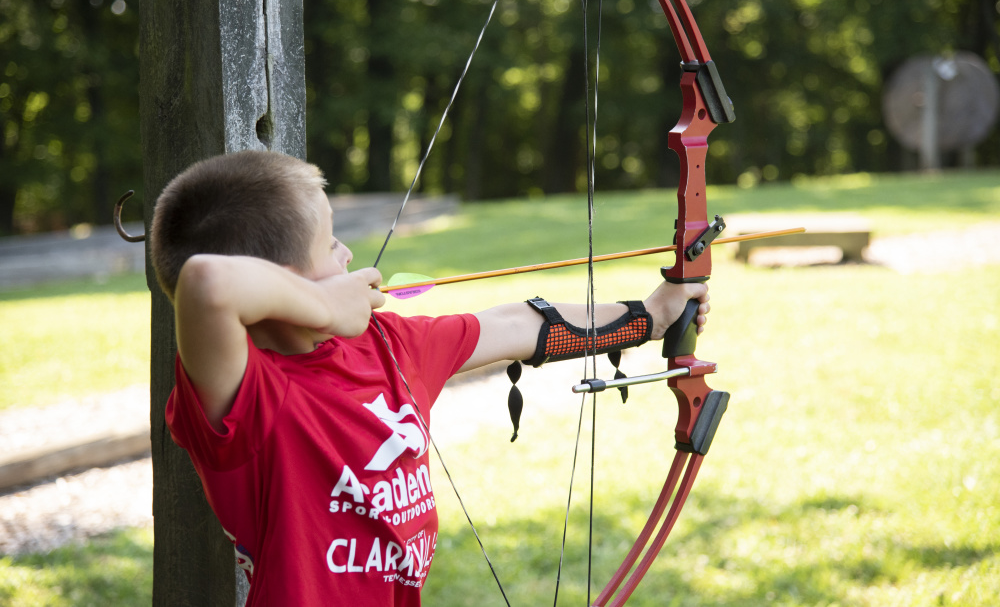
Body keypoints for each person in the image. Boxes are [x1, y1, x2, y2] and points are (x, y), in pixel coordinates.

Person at [150, 150, 710, 606]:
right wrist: (325, 308)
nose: (347, 253)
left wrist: (649, 316)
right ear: (284, 281)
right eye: (329, 243)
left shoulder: (389, 345)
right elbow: (207, 284)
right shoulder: (246, 397)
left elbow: (518, 323)